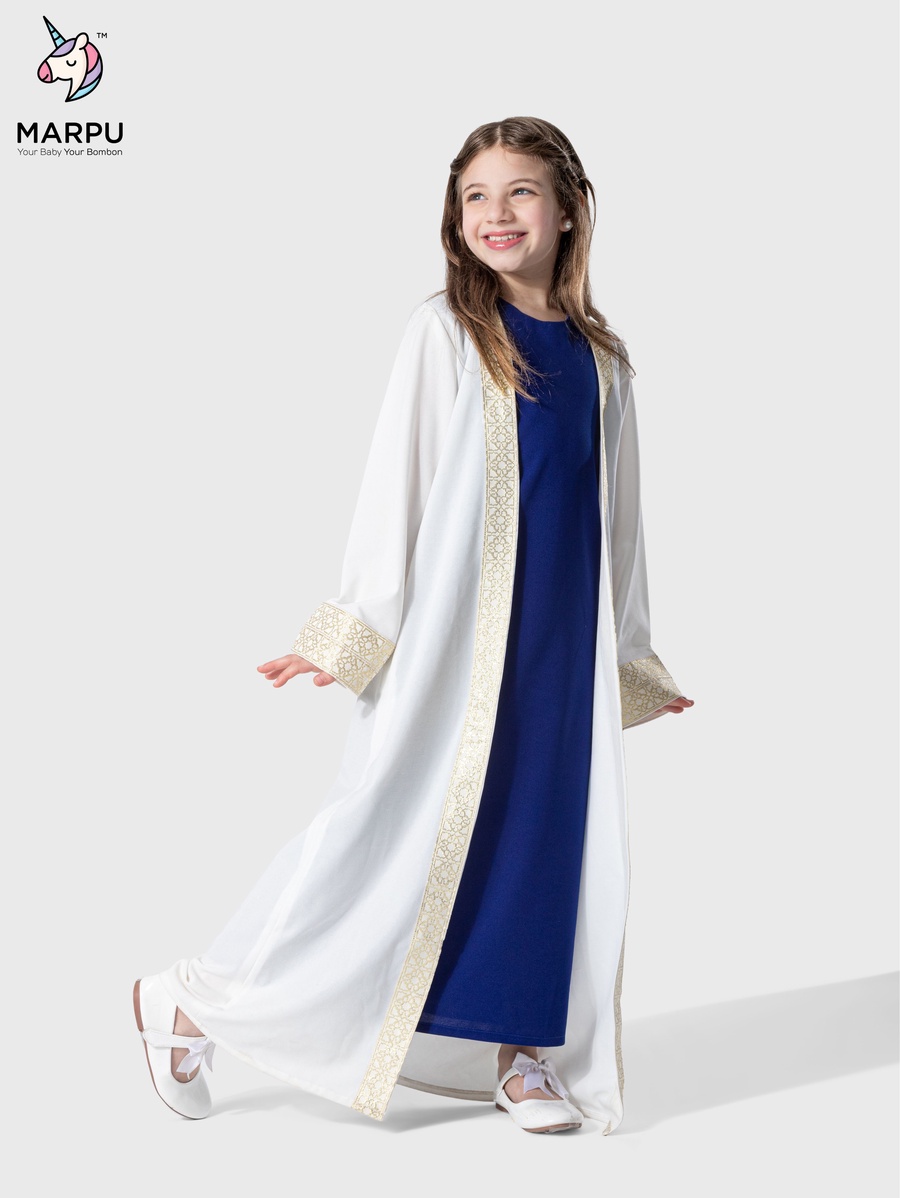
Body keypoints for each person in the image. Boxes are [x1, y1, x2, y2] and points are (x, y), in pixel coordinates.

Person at [133, 115, 694, 1136]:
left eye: (520, 191)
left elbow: (619, 520)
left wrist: (629, 654)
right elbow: (395, 485)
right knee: (377, 832)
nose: (496, 213)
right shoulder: (446, 334)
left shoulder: (604, 360)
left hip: (558, 655)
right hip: (456, 650)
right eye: (476, 196)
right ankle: (193, 997)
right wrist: (352, 624)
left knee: (542, 842)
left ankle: (522, 1056)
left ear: (569, 210)